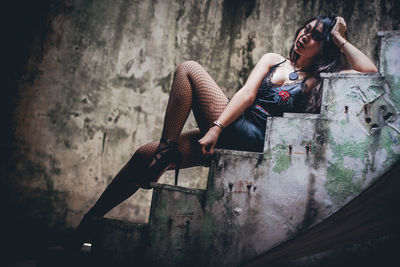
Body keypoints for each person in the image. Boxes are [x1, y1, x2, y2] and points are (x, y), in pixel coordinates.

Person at [67, 14, 378, 250]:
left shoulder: (321, 79)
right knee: (141, 156)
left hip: (257, 142)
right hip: (233, 126)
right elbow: (245, 95)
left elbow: (370, 72)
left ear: (323, 47)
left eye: (315, 36)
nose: (304, 36)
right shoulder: (274, 60)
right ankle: (93, 217)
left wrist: (339, 37)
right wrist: (218, 127)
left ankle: (167, 150)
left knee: (189, 68)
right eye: (305, 29)